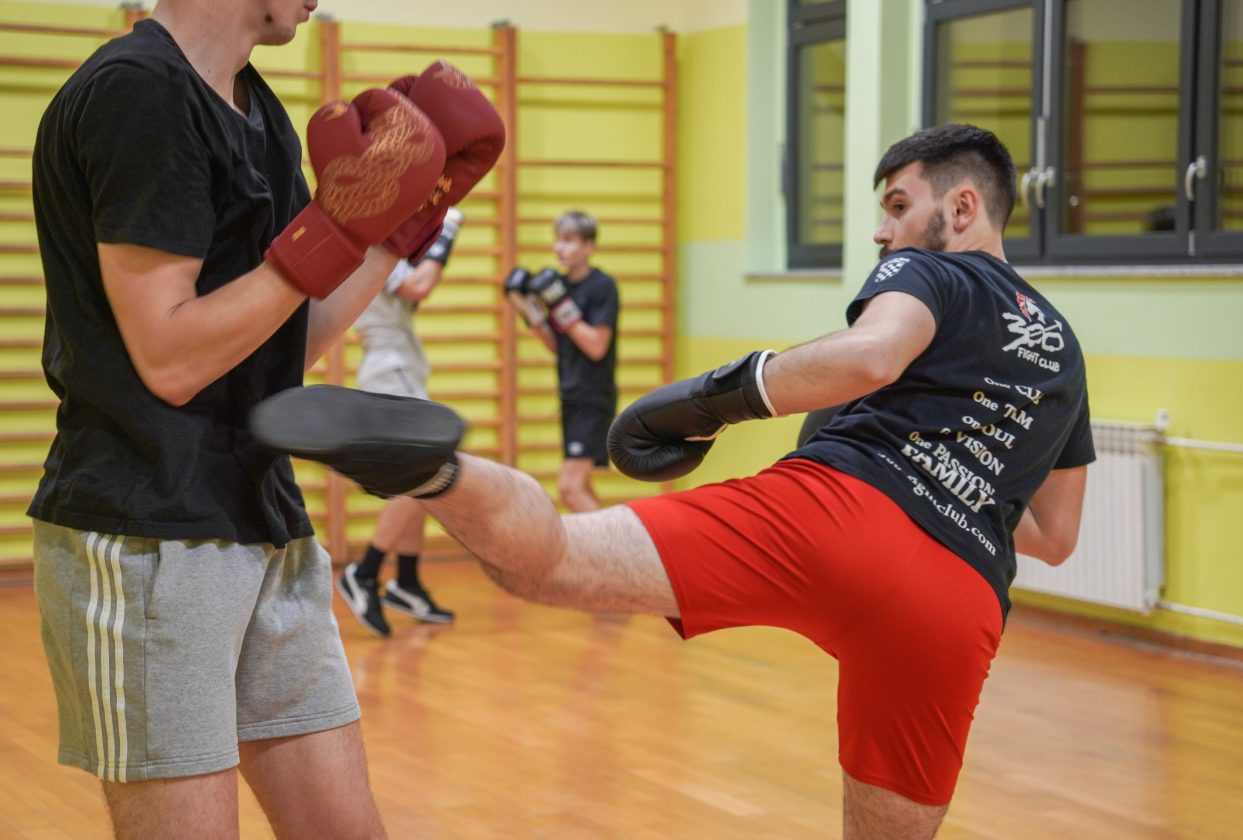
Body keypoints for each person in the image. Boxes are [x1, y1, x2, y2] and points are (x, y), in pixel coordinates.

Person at [251, 124, 1093, 839]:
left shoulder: (935, 271)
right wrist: (961, 485)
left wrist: (712, 400)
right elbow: (1053, 537)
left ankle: (436, 471)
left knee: (552, 560)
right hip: (959, 598)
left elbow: (871, 356)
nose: (884, 231)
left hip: (842, 513)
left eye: (898, 206)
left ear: (964, 206)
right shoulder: (1065, 350)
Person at [27, 1, 504, 834]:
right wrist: (330, 227)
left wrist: (394, 230)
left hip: (263, 523)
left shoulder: (259, 108)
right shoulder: (137, 93)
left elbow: (286, 343)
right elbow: (172, 358)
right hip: (148, 534)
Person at [340, 209, 464, 636]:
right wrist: (446, 233)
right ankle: (365, 572)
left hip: (403, 367)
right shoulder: (374, 244)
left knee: (426, 478)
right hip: (388, 370)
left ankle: (406, 582)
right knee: (426, 472)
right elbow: (419, 285)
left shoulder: (387, 244)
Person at [504, 211, 620, 512]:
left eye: (568, 240)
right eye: (557, 240)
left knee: (569, 488)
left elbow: (596, 346)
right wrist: (528, 309)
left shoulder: (601, 286)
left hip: (593, 398)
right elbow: (560, 346)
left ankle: (611, 554)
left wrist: (560, 306)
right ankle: (609, 551)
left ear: (588, 246)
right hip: (570, 395)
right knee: (581, 486)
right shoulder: (562, 287)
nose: (559, 247)